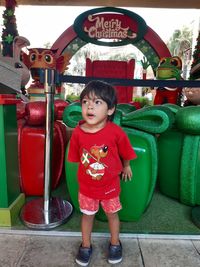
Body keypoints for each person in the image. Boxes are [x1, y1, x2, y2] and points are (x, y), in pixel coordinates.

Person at [68, 80, 137, 266]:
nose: (90, 106)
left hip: (110, 185)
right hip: (87, 187)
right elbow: (76, 158)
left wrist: (127, 165)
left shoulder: (116, 132)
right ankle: (85, 245)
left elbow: (126, 151)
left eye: (97, 102)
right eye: (85, 102)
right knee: (87, 215)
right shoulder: (77, 133)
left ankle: (115, 243)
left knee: (112, 215)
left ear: (110, 110)